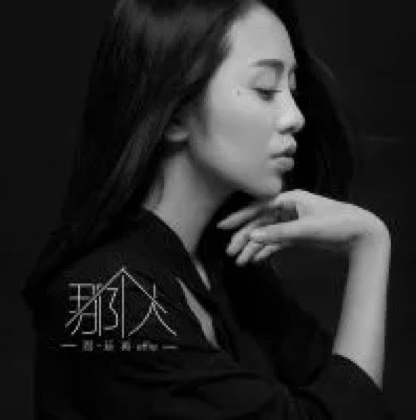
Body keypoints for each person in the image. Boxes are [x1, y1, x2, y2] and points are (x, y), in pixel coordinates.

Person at [22, 0, 394, 418]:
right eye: (265, 89)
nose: (295, 117)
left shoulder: (227, 267)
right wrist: (370, 246)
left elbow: (349, 397)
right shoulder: (105, 299)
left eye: (293, 90)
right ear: (175, 115)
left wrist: (370, 241)